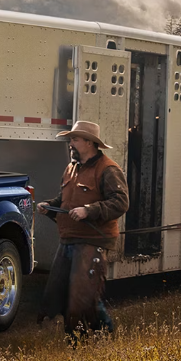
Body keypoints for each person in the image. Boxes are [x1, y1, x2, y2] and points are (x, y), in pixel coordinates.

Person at [35, 120, 129, 339]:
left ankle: (92, 339)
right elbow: (66, 201)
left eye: (75, 139)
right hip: (69, 239)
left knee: (81, 297)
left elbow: (121, 202)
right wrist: (49, 206)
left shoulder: (108, 169)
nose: (70, 143)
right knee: (61, 294)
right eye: (70, 139)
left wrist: (89, 210)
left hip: (92, 241)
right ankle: (99, 336)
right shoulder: (71, 168)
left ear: (89, 142)